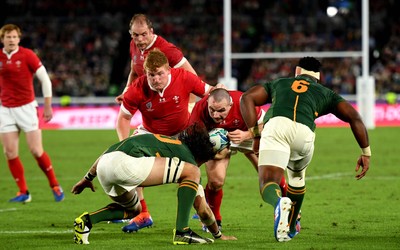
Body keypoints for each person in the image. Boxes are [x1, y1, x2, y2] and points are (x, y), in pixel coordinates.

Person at [240, 57, 371, 242]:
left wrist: (255, 135)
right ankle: (291, 227)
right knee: (296, 178)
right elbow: (355, 117)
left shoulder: (279, 83)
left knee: (268, 182)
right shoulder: (326, 93)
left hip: (277, 126)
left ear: (297, 72)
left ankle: (279, 203)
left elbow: (247, 98)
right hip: (305, 134)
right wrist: (366, 153)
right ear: (318, 77)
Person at [71, 122, 236, 245]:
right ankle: (182, 232)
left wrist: (87, 178)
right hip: (125, 164)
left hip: (103, 167)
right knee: (193, 172)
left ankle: (86, 221)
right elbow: (203, 211)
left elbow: (107, 154)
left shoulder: (172, 144)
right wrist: (218, 235)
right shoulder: (188, 160)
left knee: (133, 210)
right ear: (211, 153)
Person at [116, 48, 220, 232]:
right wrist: (126, 144)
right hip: (149, 134)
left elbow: (210, 94)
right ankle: (143, 213)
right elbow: (123, 119)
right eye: (151, 75)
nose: (155, 79)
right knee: (128, 164)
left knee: (191, 178)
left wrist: (219, 107)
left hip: (181, 135)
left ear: (169, 70)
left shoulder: (184, 78)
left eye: (160, 74)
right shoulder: (138, 88)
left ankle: (206, 218)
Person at [189, 88, 287, 230]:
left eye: (221, 110)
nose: (216, 115)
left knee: (270, 175)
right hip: (218, 141)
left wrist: (247, 135)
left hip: (248, 133)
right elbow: (195, 143)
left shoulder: (244, 102)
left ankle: (291, 212)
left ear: (230, 105)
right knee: (216, 181)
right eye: (212, 110)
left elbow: (269, 125)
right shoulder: (200, 110)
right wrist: (215, 153)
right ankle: (214, 219)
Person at [0, 24, 64, 202]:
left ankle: (55, 184)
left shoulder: (28, 55)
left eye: (14, 37)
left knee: (36, 150)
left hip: (27, 108)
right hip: (5, 109)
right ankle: (23, 192)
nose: (11, 40)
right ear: (2, 39)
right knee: (9, 152)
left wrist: (48, 105)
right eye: (8, 37)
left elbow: (45, 79)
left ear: (19, 39)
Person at [114, 13, 198, 112]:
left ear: (151, 31)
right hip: (154, 106)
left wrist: (189, 109)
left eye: (144, 34)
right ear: (131, 33)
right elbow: (134, 72)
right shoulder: (133, 44)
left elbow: (193, 78)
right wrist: (126, 93)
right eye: (136, 35)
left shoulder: (167, 50)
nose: (140, 39)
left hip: (175, 106)